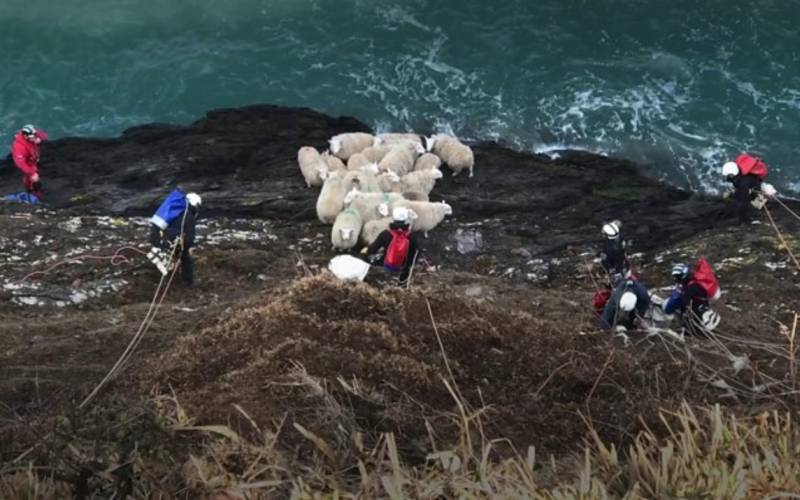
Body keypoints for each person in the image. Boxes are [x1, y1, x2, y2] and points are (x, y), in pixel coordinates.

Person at [147, 189, 202, 286]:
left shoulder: (175, 210)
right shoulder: (188, 215)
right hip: (172, 242)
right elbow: (189, 237)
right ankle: (188, 282)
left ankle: (154, 278)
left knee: (162, 258)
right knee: (186, 259)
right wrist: (187, 249)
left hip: (159, 238)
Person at [364, 207, 421, 285]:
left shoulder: (386, 234)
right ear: (406, 219)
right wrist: (408, 267)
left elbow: (373, 249)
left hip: (386, 266)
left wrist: (364, 251)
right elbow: (415, 255)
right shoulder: (412, 237)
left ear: (393, 218)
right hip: (403, 271)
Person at [663, 259, 721, 335]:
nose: (676, 279)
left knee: (682, 311)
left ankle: (690, 329)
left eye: (677, 277)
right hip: (703, 308)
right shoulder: (696, 282)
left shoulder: (689, 288)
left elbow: (684, 304)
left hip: (697, 315)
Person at [722, 154, 768, 224]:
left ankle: (748, 217)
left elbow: (743, 203)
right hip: (753, 181)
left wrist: (744, 220)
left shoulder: (743, 183)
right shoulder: (739, 170)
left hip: (752, 185)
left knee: (743, 201)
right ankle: (756, 197)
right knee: (742, 196)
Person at [11, 124, 48, 200]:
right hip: (27, 163)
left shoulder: (32, 134)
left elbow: (43, 135)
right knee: (33, 178)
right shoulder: (19, 147)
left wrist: (40, 138)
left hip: (34, 157)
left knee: (35, 174)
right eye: (32, 137)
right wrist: (32, 173)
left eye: (35, 135)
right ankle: (34, 192)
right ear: (25, 136)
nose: (34, 138)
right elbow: (21, 164)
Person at [598, 220, 629, 285]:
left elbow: (605, 260)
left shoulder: (608, 246)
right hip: (623, 264)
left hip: (614, 268)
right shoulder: (620, 239)